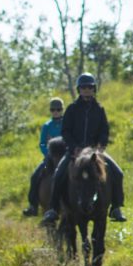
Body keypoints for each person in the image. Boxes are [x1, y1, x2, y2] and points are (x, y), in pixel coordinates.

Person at [41, 73, 127, 224]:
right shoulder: (72, 109)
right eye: (83, 87)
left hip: (95, 152)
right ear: (79, 89)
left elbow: (104, 130)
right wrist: (74, 147)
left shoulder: (99, 109)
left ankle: (116, 207)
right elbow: (66, 131)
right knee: (58, 174)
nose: (86, 90)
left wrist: (101, 146)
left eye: (89, 87)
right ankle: (53, 209)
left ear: (94, 89)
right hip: (75, 151)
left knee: (118, 173)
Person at [23, 97, 64, 216]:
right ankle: (33, 205)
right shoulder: (47, 126)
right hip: (50, 157)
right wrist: (48, 154)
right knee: (35, 176)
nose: (55, 112)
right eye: (53, 109)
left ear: (62, 109)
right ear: (50, 111)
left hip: (65, 156)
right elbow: (42, 143)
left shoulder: (67, 123)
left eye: (58, 109)